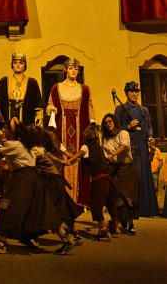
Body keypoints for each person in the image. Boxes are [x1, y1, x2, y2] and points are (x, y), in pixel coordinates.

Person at [0, 119, 66, 255]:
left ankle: (1, 243)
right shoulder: (25, 144)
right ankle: (65, 239)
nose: (4, 131)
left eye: (7, 129)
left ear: (12, 132)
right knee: (41, 210)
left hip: (22, 179)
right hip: (33, 178)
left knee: (6, 207)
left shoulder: (12, 144)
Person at [46, 58, 94, 204]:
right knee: (64, 161)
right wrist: (51, 110)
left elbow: (90, 109)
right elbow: (50, 106)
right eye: (71, 68)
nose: (74, 71)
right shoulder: (57, 87)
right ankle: (64, 200)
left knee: (78, 164)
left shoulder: (84, 89)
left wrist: (92, 126)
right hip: (62, 130)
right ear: (66, 69)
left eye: (76, 68)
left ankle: (77, 199)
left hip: (80, 131)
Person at [66, 123, 118, 240]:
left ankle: (103, 230)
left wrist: (67, 159)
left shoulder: (86, 147)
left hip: (98, 179)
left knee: (96, 205)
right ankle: (114, 226)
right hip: (108, 178)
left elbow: (77, 156)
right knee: (110, 203)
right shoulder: (99, 147)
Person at [114, 81, 159, 216]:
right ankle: (132, 211)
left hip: (143, 146)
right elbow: (115, 128)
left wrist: (150, 137)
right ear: (126, 93)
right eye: (131, 91)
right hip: (130, 148)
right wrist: (128, 126)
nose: (134, 94)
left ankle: (147, 209)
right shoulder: (120, 109)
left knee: (145, 178)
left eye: (136, 91)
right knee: (134, 178)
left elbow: (149, 126)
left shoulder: (143, 110)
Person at [101, 113, 139, 234]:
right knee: (116, 197)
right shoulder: (105, 138)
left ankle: (131, 224)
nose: (108, 123)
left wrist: (113, 154)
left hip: (126, 168)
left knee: (128, 197)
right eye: (106, 122)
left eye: (110, 121)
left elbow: (124, 147)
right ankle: (119, 221)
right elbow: (104, 153)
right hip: (113, 169)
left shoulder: (123, 133)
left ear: (114, 121)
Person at [0, 52, 42, 127]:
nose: (18, 65)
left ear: (25, 65)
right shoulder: (4, 81)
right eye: (15, 62)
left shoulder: (32, 82)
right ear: (12, 65)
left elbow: (38, 104)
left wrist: (39, 120)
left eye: (21, 63)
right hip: (6, 123)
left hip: (26, 123)